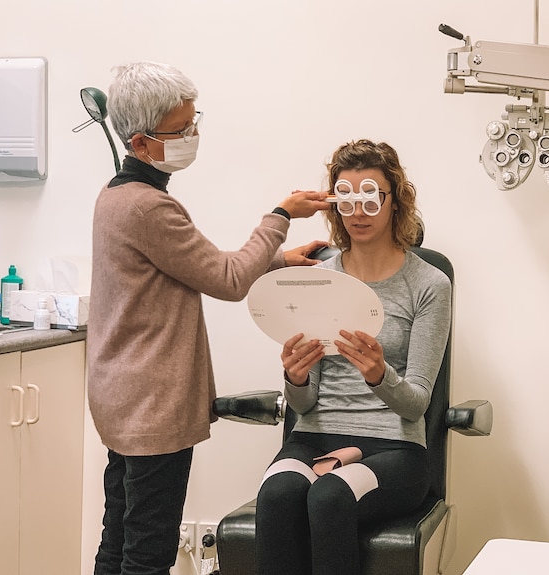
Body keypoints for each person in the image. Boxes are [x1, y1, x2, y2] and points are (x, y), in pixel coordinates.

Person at [86, 61, 330, 575]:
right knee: (147, 555)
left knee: (119, 540)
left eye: (196, 123)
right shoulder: (149, 208)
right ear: (141, 143)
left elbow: (194, 267)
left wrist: (280, 260)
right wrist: (280, 217)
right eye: (181, 130)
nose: (193, 136)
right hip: (152, 405)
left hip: (121, 398)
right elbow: (227, 280)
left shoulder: (114, 197)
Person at [254, 139, 453, 575]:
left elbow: (417, 402)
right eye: (346, 199)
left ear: (394, 201)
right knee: (276, 495)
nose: (358, 211)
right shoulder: (318, 280)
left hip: (394, 448)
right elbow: (304, 406)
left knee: (330, 497)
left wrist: (381, 374)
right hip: (314, 436)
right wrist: (296, 378)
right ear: (334, 205)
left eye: (370, 197)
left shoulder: (429, 285)